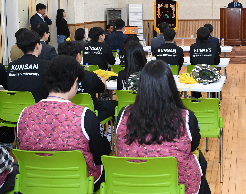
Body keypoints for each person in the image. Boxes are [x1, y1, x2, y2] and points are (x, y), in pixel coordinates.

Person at [17, 55, 111, 192]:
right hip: (78, 183)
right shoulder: (85, 116)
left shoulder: (24, 114)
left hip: (34, 181)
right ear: (75, 82)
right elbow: (102, 152)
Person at [116, 61, 211, 194]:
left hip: (132, 185)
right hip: (176, 187)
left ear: (142, 86)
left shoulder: (124, 114)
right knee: (201, 161)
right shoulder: (186, 117)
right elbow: (193, 145)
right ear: (170, 86)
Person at [58, 42, 117, 122]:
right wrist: (102, 81)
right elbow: (102, 89)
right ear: (78, 56)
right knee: (114, 104)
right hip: (91, 114)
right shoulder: (88, 75)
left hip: (64, 115)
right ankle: (109, 131)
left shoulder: (55, 76)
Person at [7, 30, 48, 102]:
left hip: (16, 110)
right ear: (37, 45)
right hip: (39, 110)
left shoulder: (11, 66)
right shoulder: (46, 65)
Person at [190, 27, 221, 98]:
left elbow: (192, 62)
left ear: (197, 36)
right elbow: (217, 62)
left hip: (196, 75)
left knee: (195, 72)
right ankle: (213, 98)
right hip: (210, 74)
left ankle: (195, 98)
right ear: (209, 37)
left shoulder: (192, 47)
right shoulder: (213, 46)